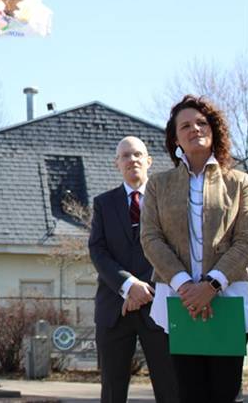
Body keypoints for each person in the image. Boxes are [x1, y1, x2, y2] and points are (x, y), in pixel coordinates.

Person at [141, 95, 248, 403]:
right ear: (175, 137)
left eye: (201, 123)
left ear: (214, 130)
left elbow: (247, 240)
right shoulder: (158, 185)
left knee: (224, 393)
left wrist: (212, 284)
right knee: (187, 393)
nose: (194, 129)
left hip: (227, 299)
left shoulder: (239, 182)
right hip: (178, 301)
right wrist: (185, 285)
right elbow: (150, 238)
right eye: (185, 125)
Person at [88, 136, 178, 403]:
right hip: (114, 308)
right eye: (125, 156)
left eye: (138, 154)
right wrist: (128, 286)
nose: (132, 160)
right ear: (117, 164)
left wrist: (144, 289)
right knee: (112, 392)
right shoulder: (103, 204)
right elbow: (98, 250)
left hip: (159, 305)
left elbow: (173, 247)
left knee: (171, 388)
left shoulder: (167, 200)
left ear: (149, 161)